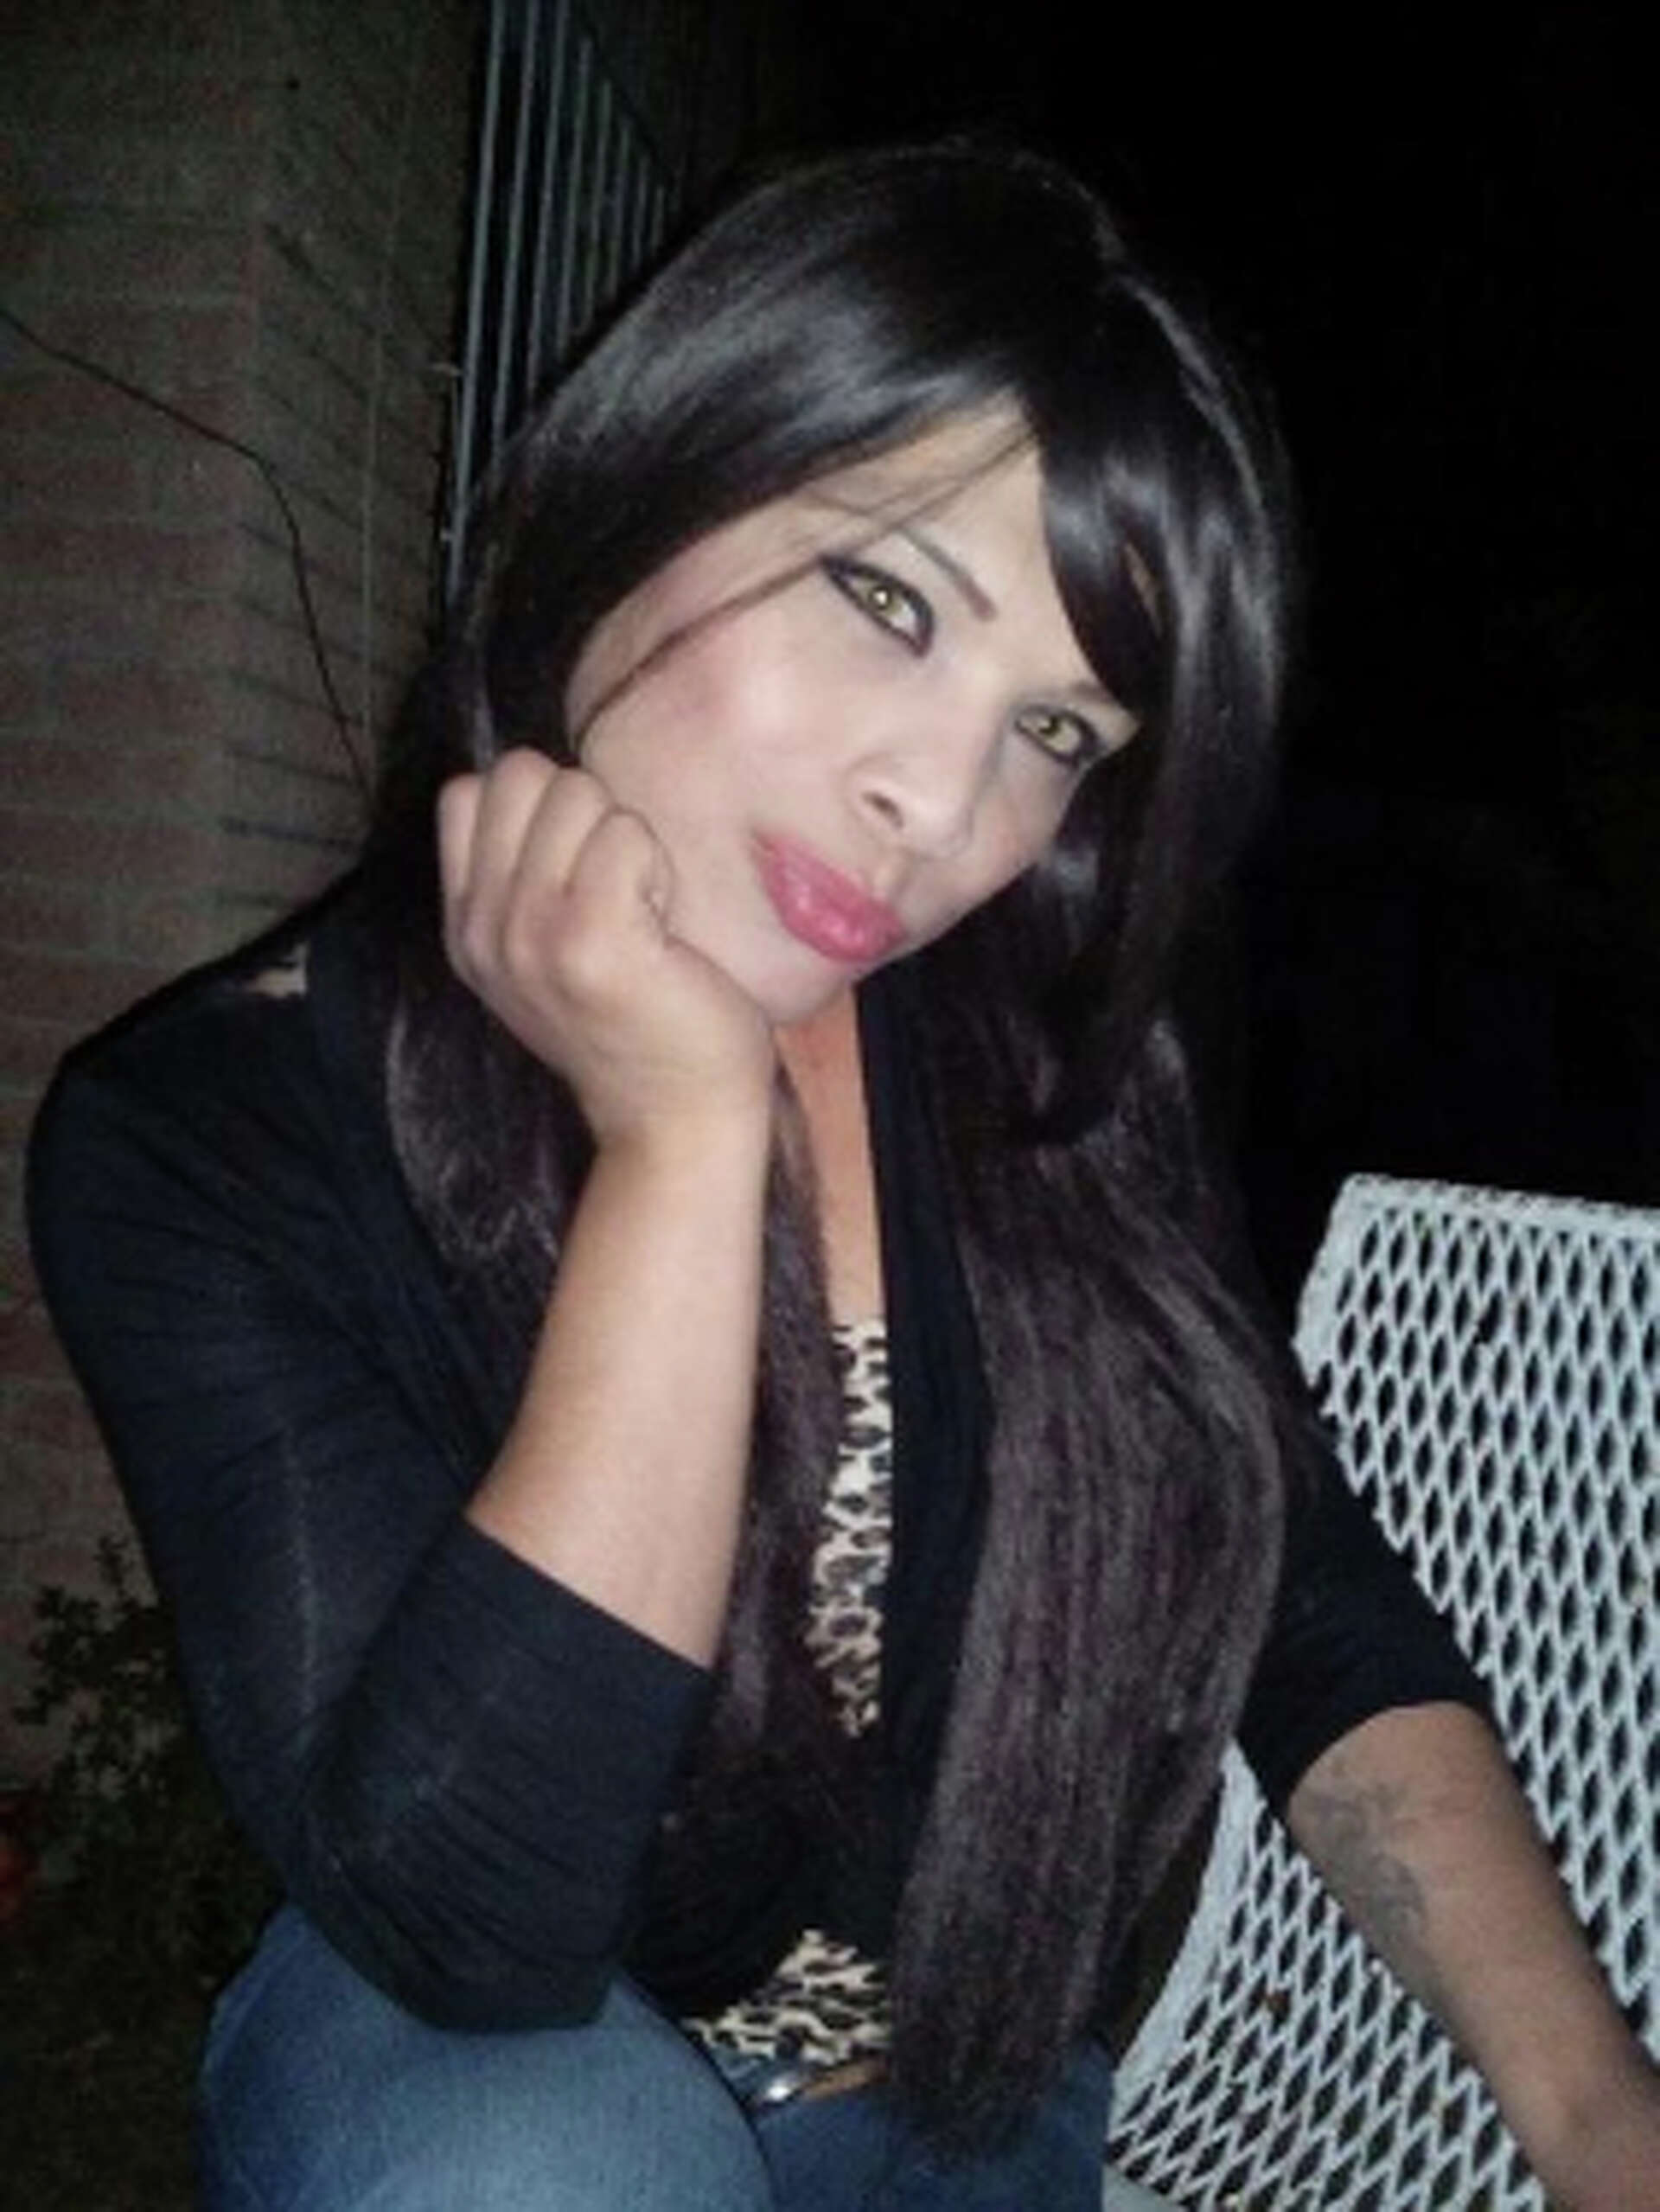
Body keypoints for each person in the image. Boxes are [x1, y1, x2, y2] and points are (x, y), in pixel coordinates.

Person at [27, 143, 1660, 2211]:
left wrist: (1602, 2120)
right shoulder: (212, 1128)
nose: (939, 803)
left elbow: (1297, 1597)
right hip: (486, 2072)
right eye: (889, 599)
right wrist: (685, 1144)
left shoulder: (1043, 1081)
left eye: (1055, 730)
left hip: (965, 2106)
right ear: (653, 478)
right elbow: (474, 1924)